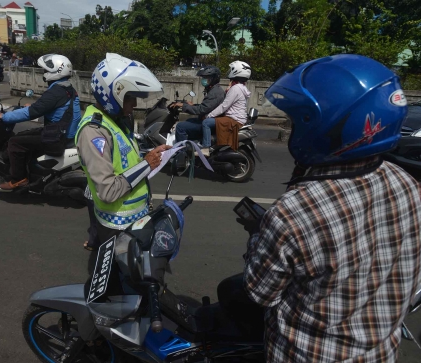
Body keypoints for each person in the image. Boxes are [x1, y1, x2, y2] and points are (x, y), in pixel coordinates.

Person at [241, 54, 421, 362]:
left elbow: (261, 292)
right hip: (381, 353)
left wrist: (260, 238)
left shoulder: (294, 211)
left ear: (333, 128)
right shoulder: (408, 183)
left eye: (299, 123)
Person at [75, 53, 170, 251]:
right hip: (116, 227)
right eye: (130, 98)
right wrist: (146, 165)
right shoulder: (94, 132)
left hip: (132, 222)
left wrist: (151, 156)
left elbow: (126, 159)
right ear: (112, 95)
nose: (134, 104)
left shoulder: (116, 121)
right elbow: (108, 190)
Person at [0, 54, 81, 190]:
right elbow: (55, 112)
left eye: (46, 71)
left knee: (14, 142)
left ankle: (19, 179)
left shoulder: (55, 92)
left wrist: (4, 116)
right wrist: (34, 108)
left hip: (57, 138)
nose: (44, 73)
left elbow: (30, 113)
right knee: (24, 135)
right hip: (63, 133)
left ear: (55, 72)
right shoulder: (68, 88)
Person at [199, 61, 252, 156]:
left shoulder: (236, 89)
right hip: (237, 118)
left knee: (206, 123)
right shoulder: (241, 87)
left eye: (231, 69)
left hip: (234, 119)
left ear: (236, 72)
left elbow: (224, 106)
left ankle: (205, 148)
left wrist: (209, 115)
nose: (229, 71)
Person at [173, 66, 225, 144]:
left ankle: (182, 152)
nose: (204, 80)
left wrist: (183, 106)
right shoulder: (213, 90)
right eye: (203, 77)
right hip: (207, 120)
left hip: (210, 123)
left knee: (180, 127)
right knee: (188, 121)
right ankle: (193, 145)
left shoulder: (215, 92)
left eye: (206, 77)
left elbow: (202, 109)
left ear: (214, 78)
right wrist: (193, 105)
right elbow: (207, 106)